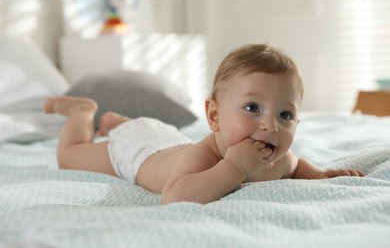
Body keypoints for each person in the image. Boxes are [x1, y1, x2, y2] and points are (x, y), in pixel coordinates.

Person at [44, 43, 365, 204]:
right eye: (253, 107)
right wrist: (234, 169)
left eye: (285, 115)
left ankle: (118, 121)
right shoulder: (204, 156)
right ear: (214, 116)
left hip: (165, 137)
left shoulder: (275, 158)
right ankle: (82, 113)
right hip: (137, 153)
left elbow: (296, 168)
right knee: (70, 156)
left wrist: (321, 175)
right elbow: (175, 196)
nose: (270, 125)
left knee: (141, 128)